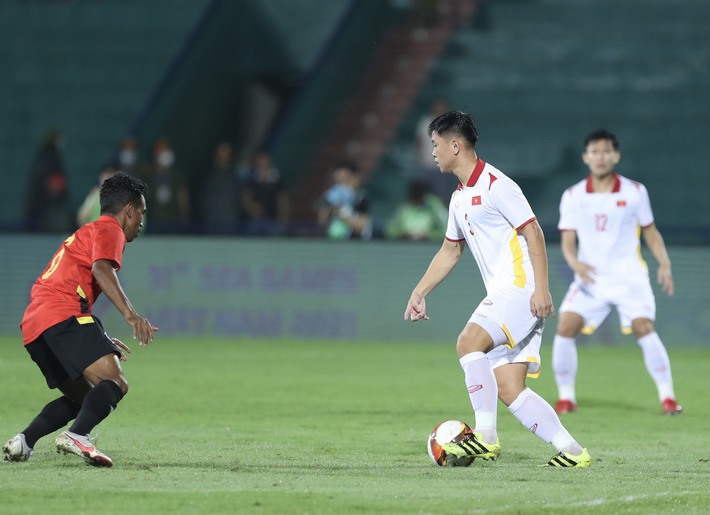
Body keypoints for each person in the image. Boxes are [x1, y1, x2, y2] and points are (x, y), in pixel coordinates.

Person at [404, 111, 590, 467]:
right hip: (516, 292)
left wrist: (542, 290)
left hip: (522, 286)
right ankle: (573, 452)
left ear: (455, 145)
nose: (432, 153)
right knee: (508, 387)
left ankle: (485, 438)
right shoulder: (459, 198)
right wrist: (420, 290)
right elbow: (450, 249)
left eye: (435, 145)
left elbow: (532, 231)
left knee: (467, 342)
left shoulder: (496, 185)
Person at [2, 172, 157, 467]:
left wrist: (97, 337)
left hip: (36, 325)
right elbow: (102, 270)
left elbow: (70, 285)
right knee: (114, 382)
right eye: (141, 213)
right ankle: (78, 436)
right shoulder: (109, 228)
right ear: (128, 210)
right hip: (62, 315)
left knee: (86, 398)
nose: (141, 222)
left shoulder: (87, 232)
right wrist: (131, 314)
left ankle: (24, 441)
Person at [552, 129, 681, 416]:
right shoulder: (572, 196)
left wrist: (664, 262)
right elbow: (568, 242)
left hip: (629, 277)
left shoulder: (635, 191)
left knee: (643, 327)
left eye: (606, 151)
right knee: (565, 326)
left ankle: (668, 397)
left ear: (616, 155)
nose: (600, 156)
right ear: (585, 157)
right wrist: (574, 264)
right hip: (591, 278)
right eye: (594, 151)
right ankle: (566, 398)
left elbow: (650, 231)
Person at [23, 128, 74, 233]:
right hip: (48, 204)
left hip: (39, 201)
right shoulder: (51, 157)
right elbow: (54, 180)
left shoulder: (42, 156)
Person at [141, 136, 190, 233]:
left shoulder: (176, 175)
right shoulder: (149, 175)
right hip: (154, 221)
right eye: (162, 150)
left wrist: (184, 218)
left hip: (173, 220)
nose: (165, 153)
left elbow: (182, 196)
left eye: (166, 149)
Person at [317, 163, 372, 240]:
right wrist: (329, 208)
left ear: (355, 178)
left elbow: (360, 227)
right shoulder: (331, 198)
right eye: (337, 181)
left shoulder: (360, 199)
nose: (340, 186)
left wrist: (341, 213)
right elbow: (322, 221)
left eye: (344, 180)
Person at [241, 150, 290, 236]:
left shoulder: (277, 179)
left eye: (265, 159)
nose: (263, 162)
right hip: (256, 220)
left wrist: (283, 218)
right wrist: (253, 209)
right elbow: (246, 198)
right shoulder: (252, 179)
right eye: (261, 159)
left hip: (272, 219)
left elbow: (283, 199)